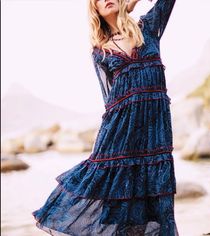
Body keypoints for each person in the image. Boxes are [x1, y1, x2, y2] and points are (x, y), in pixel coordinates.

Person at [32, 0, 179, 235]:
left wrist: (132, 3)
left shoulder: (149, 28)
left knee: (158, 196)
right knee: (119, 197)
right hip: (120, 131)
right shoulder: (101, 51)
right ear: (95, 10)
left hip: (155, 129)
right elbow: (108, 98)